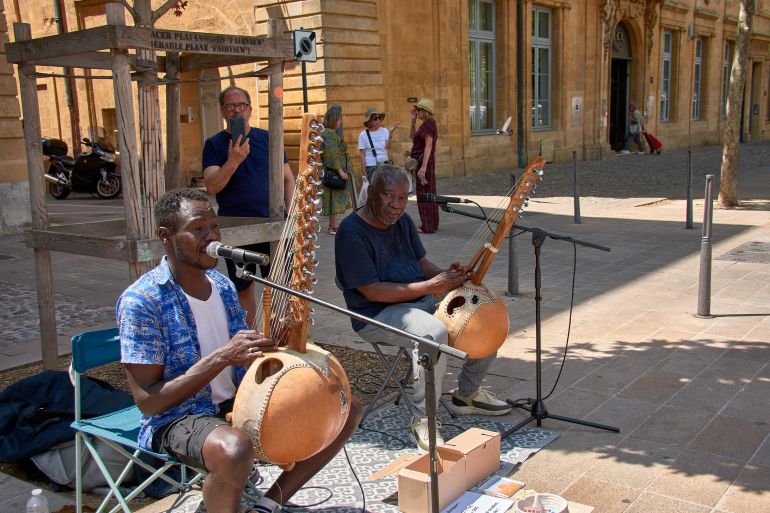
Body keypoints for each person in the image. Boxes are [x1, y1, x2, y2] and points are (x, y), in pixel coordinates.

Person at [118, 188, 362, 513]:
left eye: (214, 226)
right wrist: (222, 357)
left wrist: (274, 341)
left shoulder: (223, 286)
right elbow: (149, 402)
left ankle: (268, 505)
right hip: (177, 418)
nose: (211, 236)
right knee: (234, 448)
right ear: (166, 236)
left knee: (345, 407)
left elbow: (244, 364)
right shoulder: (143, 301)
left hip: (236, 404)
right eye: (198, 228)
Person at [334, 165, 511, 452]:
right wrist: (432, 287)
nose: (396, 205)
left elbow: (422, 265)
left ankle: (465, 395)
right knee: (432, 332)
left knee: (482, 312)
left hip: (417, 299)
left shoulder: (402, 222)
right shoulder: (351, 232)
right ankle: (423, 420)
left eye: (402, 198)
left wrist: (448, 278)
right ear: (370, 194)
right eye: (389, 196)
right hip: (374, 313)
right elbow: (372, 290)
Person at [202, 85, 296, 326]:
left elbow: (288, 179)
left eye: (241, 106)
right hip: (237, 229)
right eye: (231, 107)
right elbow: (212, 186)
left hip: (273, 225)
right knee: (243, 288)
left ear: (250, 109)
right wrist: (233, 160)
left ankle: (279, 337)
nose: (237, 111)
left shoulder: (268, 138)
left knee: (279, 287)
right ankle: (251, 340)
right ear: (223, 111)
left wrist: (293, 217)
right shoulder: (214, 145)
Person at [320, 105, 353, 235]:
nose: (340, 122)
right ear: (334, 120)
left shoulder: (327, 133)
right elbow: (332, 154)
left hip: (330, 171)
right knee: (334, 197)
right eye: (339, 119)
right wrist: (341, 172)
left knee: (332, 198)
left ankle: (332, 224)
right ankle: (333, 226)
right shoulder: (330, 134)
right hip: (334, 172)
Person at [410, 98, 439, 234]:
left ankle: (427, 226)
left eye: (419, 109)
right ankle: (431, 223)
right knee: (428, 192)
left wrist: (423, 167)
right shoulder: (425, 124)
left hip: (424, 164)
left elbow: (428, 145)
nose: (417, 111)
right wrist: (413, 121)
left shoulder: (429, 124)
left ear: (425, 111)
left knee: (424, 194)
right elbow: (412, 136)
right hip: (423, 163)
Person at [358, 107, 399, 181]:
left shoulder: (385, 131)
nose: (378, 120)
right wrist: (364, 172)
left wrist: (390, 134)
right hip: (371, 166)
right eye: (375, 118)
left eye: (379, 118)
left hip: (384, 164)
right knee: (374, 190)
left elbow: (388, 147)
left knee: (386, 188)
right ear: (369, 121)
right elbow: (362, 155)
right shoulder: (363, 135)